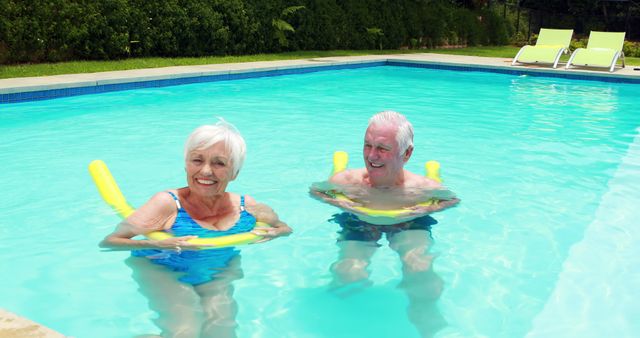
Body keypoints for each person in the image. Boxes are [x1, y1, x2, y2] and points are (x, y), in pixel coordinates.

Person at [100, 119, 291, 338]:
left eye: (219, 163)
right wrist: (155, 242)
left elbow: (284, 227)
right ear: (186, 165)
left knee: (222, 332)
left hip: (217, 268)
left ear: (235, 172)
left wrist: (278, 232)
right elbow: (110, 242)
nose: (206, 171)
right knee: (186, 331)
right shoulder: (167, 203)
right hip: (162, 266)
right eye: (197, 160)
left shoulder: (248, 206)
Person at [311, 111, 459, 337]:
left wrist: (424, 209)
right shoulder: (348, 181)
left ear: (406, 153)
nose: (372, 155)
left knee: (421, 273)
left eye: (382, 148)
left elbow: (452, 200)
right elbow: (316, 192)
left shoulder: (421, 188)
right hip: (360, 220)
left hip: (407, 221)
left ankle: (429, 325)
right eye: (367, 145)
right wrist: (347, 205)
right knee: (348, 274)